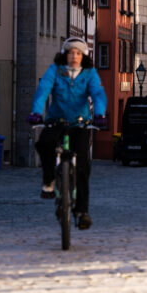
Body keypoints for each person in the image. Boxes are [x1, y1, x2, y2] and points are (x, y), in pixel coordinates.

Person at [29, 38, 107, 229]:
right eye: (71, 52)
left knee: (82, 166)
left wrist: (99, 114)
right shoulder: (55, 70)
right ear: (65, 54)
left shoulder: (89, 73)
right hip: (57, 120)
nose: (74, 56)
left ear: (83, 56)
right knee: (44, 144)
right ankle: (49, 180)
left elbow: (97, 93)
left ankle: (82, 212)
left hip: (80, 122)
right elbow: (43, 89)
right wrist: (37, 112)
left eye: (78, 53)